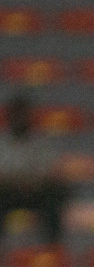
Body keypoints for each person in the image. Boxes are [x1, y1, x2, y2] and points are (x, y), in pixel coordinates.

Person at [0, 93, 72, 246]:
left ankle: (53, 248)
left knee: (54, 195)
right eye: (15, 114)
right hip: (8, 194)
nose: (19, 118)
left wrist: (28, 182)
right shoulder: (2, 143)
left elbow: (49, 172)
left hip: (36, 193)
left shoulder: (41, 143)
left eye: (22, 114)